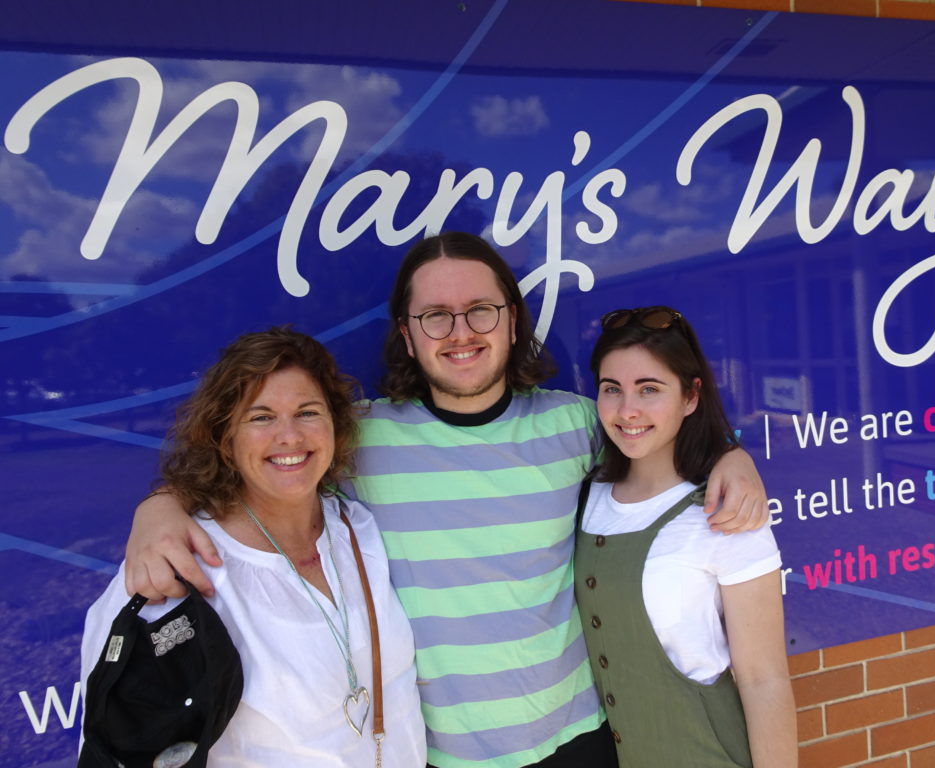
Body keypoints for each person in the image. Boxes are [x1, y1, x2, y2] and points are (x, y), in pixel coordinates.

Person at [124, 233, 771, 768]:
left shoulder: (573, 424)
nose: (459, 331)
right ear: (407, 334)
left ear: (511, 320)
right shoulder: (361, 435)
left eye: (480, 310)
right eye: (435, 315)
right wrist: (158, 508)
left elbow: (665, 433)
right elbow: (253, 459)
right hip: (437, 756)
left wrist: (735, 458)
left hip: (579, 742)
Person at [81, 328, 426, 767]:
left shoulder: (359, 527)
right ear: (226, 439)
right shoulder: (178, 568)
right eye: (261, 417)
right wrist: (159, 506)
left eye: (308, 412)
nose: (289, 436)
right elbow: (122, 746)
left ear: (335, 425)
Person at [575, 306, 797, 767]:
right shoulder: (585, 493)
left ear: (691, 397)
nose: (627, 409)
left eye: (649, 389)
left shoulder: (726, 512)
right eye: (611, 389)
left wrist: (734, 456)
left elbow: (763, 677)